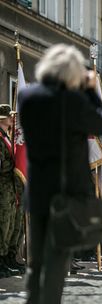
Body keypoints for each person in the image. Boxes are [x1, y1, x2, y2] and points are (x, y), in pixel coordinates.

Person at [19, 44, 102, 304]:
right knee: (57, 260)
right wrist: (90, 91)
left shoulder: (27, 96)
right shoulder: (73, 101)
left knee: (36, 260)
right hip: (67, 191)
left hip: (38, 189)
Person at [0, 104, 22, 278]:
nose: (12, 118)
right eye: (9, 116)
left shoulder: (7, 136)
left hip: (11, 189)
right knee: (3, 225)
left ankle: (9, 258)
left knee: (11, 225)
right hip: (3, 188)